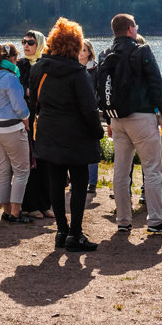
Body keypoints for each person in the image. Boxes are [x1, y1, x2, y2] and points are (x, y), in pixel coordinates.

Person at [30, 18, 105, 251]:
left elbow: (34, 103)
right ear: (75, 45)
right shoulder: (78, 73)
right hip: (77, 136)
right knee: (79, 185)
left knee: (55, 182)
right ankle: (75, 233)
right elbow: (89, 109)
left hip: (49, 131)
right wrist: (98, 133)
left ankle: (61, 231)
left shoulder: (38, 69)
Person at [103, 13, 162, 235]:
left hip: (117, 118)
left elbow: (104, 89)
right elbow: (156, 84)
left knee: (121, 171)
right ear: (131, 29)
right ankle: (155, 221)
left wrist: (108, 119)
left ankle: (123, 220)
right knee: (152, 169)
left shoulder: (107, 53)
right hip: (141, 117)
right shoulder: (141, 50)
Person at [0, 43, 32, 224]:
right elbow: (19, 105)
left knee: (3, 169)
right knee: (21, 170)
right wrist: (26, 119)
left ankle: (6, 209)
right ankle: (16, 212)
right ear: (11, 59)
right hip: (10, 127)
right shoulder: (10, 78)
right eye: (16, 57)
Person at [18, 30, 54, 219]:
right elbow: (16, 90)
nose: (26, 45)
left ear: (40, 44)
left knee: (45, 161)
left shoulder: (46, 64)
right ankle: (29, 205)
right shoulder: (20, 65)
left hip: (44, 119)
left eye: (31, 42)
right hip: (26, 119)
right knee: (28, 162)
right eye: (24, 41)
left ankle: (45, 204)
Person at [78, 39, 101, 194]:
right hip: (76, 113)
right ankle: (77, 181)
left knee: (93, 145)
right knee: (76, 147)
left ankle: (92, 182)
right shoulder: (72, 68)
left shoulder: (96, 69)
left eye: (84, 50)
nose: (81, 53)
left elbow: (99, 90)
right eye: (79, 49)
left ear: (90, 52)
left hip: (91, 111)